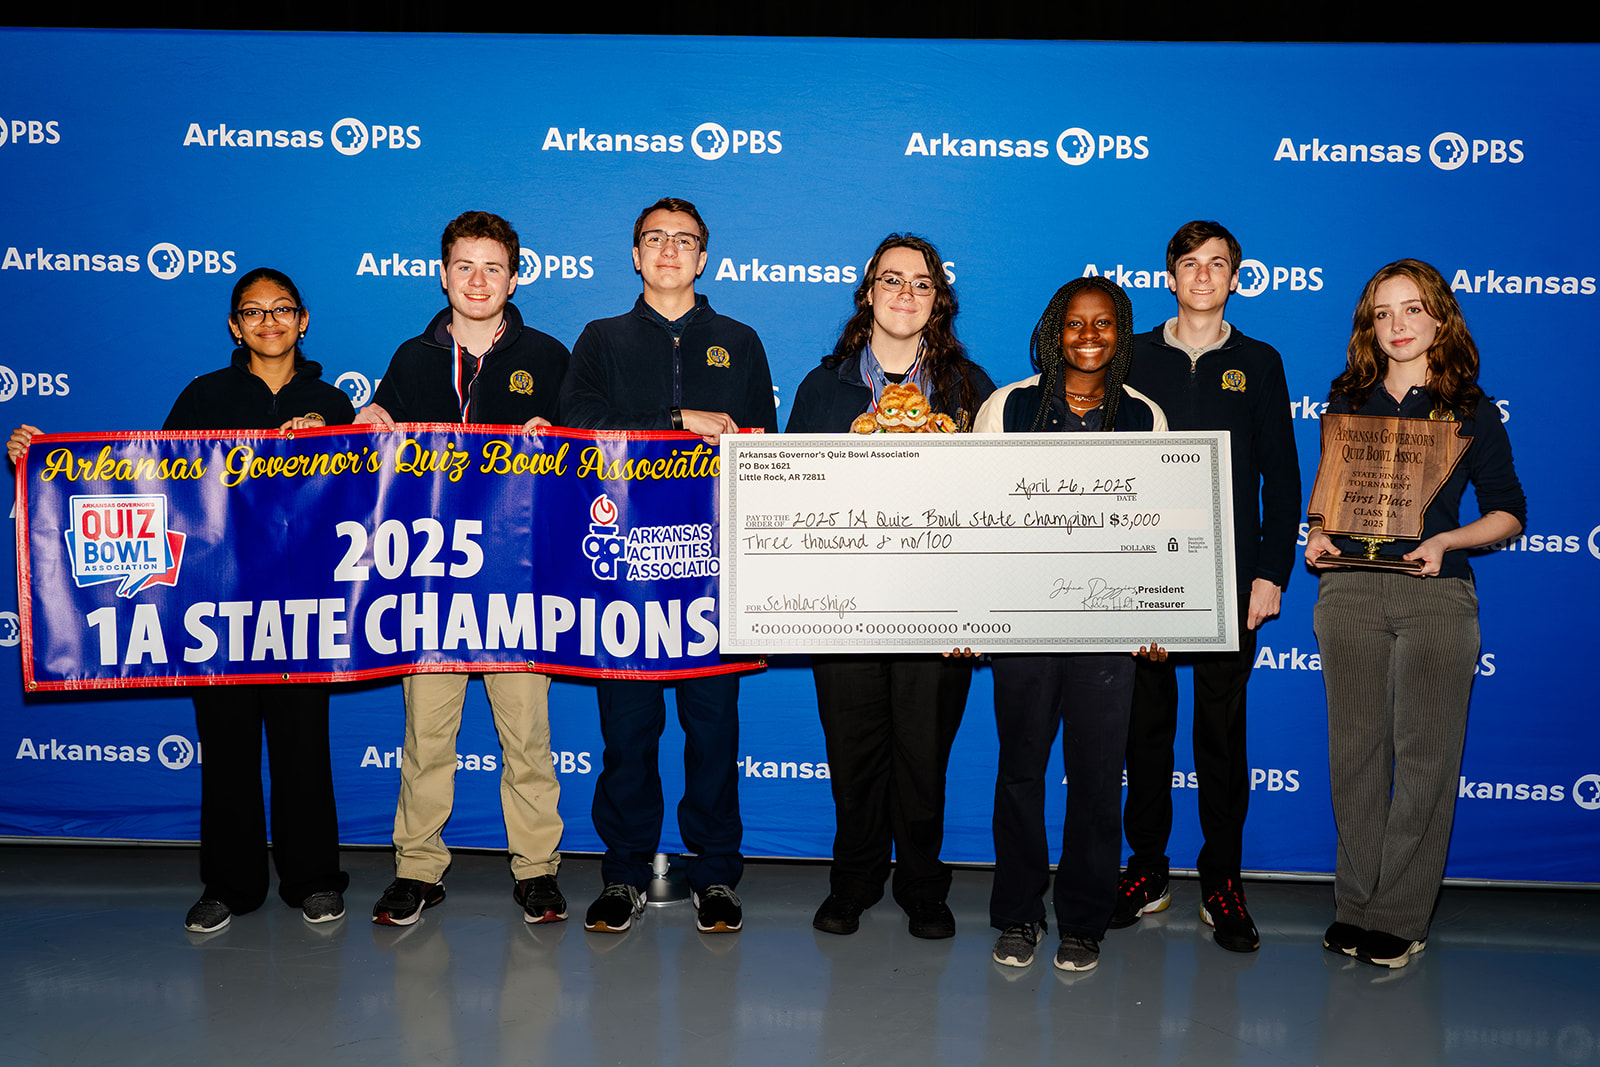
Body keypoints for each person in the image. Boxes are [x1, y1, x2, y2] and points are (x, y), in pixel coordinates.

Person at [10, 267, 356, 932]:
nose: (269, 321)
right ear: (235, 325)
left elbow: (365, 491)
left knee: (303, 747)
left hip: (301, 610)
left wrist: (330, 435)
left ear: (303, 319)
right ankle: (229, 884)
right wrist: (42, 457)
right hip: (215, 607)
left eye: (282, 308)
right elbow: (147, 481)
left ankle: (314, 879)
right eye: (253, 311)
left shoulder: (333, 402)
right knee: (226, 748)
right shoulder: (204, 395)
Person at [560, 196, 777, 935]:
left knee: (714, 732)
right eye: (654, 238)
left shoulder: (739, 340)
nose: (669, 250)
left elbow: (764, 448)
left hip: (711, 573)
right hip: (621, 569)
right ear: (635, 254)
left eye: (684, 240)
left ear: (703, 257)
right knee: (628, 733)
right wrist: (677, 422)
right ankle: (624, 872)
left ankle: (716, 874)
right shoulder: (602, 338)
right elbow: (576, 427)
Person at [355, 210, 572, 927]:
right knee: (426, 737)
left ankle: (537, 868)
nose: (478, 281)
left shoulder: (549, 355)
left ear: (515, 277)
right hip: (429, 585)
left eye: (492, 268)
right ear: (443, 274)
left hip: (518, 582)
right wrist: (370, 423)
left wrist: (560, 441)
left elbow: (587, 463)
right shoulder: (414, 357)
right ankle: (418, 868)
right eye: (464, 267)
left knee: (527, 737)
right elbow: (376, 449)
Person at [1306, 259, 1524, 969]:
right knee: (1355, 755)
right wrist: (1317, 531)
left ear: (1440, 317)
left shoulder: (1471, 408)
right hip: (1350, 593)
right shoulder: (1348, 399)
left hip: (1435, 594)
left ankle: (1401, 916)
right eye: (1382, 313)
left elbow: (1508, 512)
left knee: (1426, 759)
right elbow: (1330, 493)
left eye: (1411, 309)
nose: (1397, 325)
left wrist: (1446, 541)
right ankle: (1355, 904)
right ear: (1368, 326)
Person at [786, 233, 995, 940]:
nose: (906, 294)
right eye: (892, 280)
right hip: (845, 604)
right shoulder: (825, 387)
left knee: (924, 753)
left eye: (922, 283)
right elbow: (789, 501)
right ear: (868, 293)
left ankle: (924, 886)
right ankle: (853, 881)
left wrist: (979, 610)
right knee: (853, 752)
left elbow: (995, 509)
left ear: (939, 300)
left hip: (940, 606)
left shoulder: (971, 388)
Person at [1115, 221, 1300, 953]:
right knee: (1145, 732)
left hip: (1230, 580)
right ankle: (1146, 870)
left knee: (1222, 739)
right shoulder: (1132, 356)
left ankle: (1223, 880)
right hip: (1146, 574)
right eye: (1189, 263)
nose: (1202, 275)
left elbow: (1281, 477)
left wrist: (1270, 572)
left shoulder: (1260, 361)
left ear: (1234, 278)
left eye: (1217, 264)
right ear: (1170, 276)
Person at [973, 276, 1167, 973]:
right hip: (1022, 625)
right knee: (1020, 771)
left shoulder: (1144, 416)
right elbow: (973, 517)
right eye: (1075, 322)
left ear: (1122, 333)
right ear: (1055, 329)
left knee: (1097, 777)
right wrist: (970, 613)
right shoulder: (1009, 406)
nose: (1089, 335)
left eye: (1104, 323)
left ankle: (1084, 920)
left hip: (1107, 631)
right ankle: (1018, 914)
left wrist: (1162, 615)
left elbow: (1158, 527)